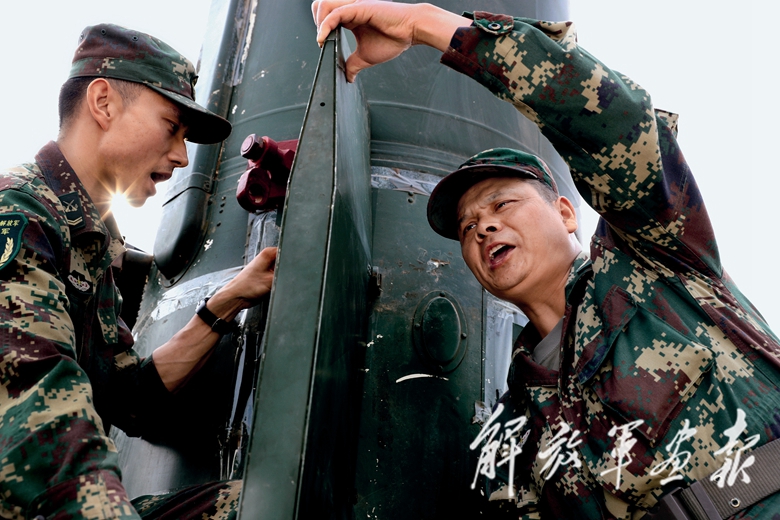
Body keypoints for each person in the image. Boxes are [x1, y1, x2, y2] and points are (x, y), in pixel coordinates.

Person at [312, 1, 780, 518]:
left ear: (565, 212)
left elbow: (610, 121)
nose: (483, 227)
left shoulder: (651, 259)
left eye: (502, 205)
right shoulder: (512, 436)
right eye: (467, 228)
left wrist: (425, 25)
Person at [0, 24, 277, 519]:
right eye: (172, 127)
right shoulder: (20, 215)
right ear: (103, 103)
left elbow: (130, 399)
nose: (182, 157)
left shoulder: (91, 241)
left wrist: (228, 301)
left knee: (260, 505)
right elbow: (37, 417)